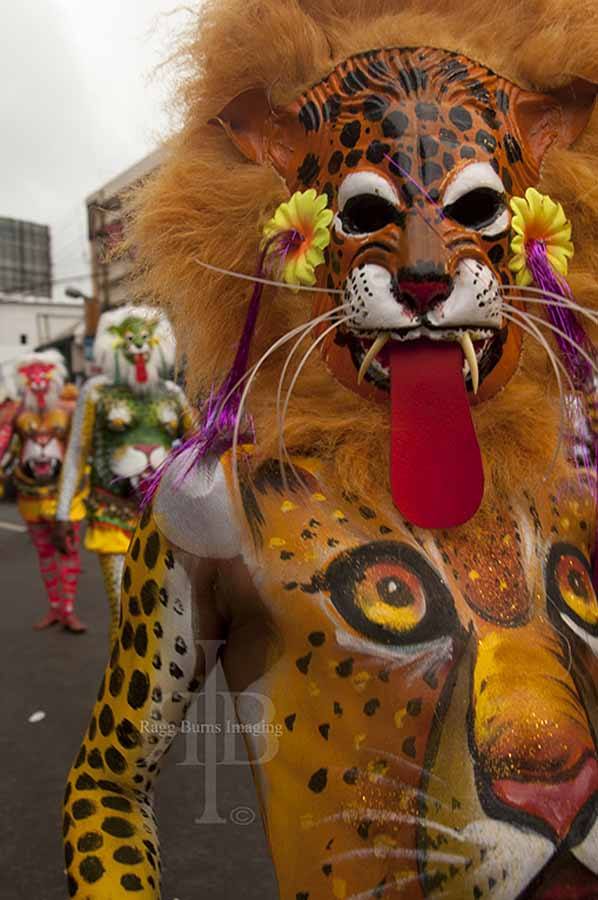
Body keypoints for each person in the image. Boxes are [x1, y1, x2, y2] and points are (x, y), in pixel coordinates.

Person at [63, 2, 598, 898]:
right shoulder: (226, 505)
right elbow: (110, 786)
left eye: (473, 207)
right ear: (292, 234)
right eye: (366, 213)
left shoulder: (568, 488)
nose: (426, 269)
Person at [54, 305, 193, 643]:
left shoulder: (173, 395)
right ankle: (123, 683)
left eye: (145, 339)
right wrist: (63, 511)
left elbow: (198, 448)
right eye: (129, 340)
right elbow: (76, 453)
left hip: (163, 521)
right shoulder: (97, 393)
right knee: (123, 610)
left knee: (160, 611)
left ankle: (153, 686)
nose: (138, 348)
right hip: (110, 518)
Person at [0, 351, 86, 631]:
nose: (38, 383)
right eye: (31, 377)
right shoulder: (15, 413)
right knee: (45, 553)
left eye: (43, 377)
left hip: (65, 497)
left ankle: (69, 610)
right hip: (30, 497)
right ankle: (55, 607)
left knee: (68, 550)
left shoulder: (70, 408)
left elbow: (85, 444)